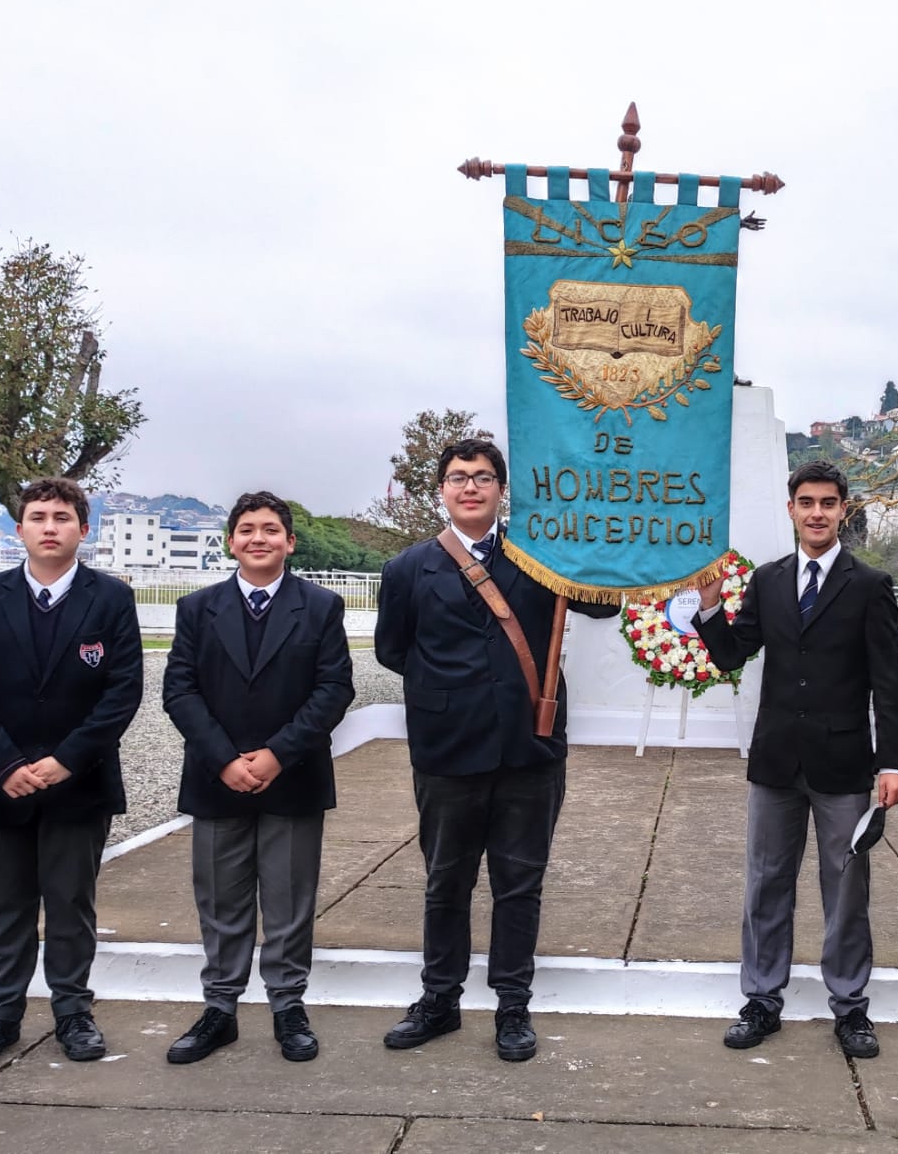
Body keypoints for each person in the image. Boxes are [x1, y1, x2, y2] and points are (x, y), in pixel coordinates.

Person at [374, 438, 616, 1062]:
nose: (471, 487)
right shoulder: (408, 569)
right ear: (442, 490)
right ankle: (439, 1000)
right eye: (458, 478)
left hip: (528, 750)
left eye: (483, 477)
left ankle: (513, 1005)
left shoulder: (540, 558)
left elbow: (602, 603)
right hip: (447, 752)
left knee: (518, 884)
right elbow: (392, 651)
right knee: (445, 883)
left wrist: (585, 542)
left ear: (501, 489)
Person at [692, 460, 898, 1059]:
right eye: (806, 502)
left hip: (843, 766)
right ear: (792, 510)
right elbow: (733, 655)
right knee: (765, 884)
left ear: (844, 510)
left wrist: (894, 762)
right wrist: (710, 606)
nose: (817, 512)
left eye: (828, 503)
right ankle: (761, 1001)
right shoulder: (768, 580)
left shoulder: (870, 585)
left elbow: (888, 686)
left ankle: (850, 1008)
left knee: (846, 890)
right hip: (776, 763)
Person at [0, 477, 143, 1067]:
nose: (50, 526)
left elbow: (121, 692)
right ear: (20, 530)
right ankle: (0, 1016)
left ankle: (73, 1013)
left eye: (62, 517)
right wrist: (5, 763)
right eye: (38, 517)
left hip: (77, 783)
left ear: (84, 529)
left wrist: (65, 761)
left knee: (70, 905)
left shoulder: (110, 598)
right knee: (3, 908)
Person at [162, 491, 355, 1064]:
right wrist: (224, 758)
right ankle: (219, 1008)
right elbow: (180, 689)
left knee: (289, 899)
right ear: (230, 541)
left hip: (291, 777)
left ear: (290, 542)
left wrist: (275, 754)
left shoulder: (320, 607)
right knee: (220, 900)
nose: (258, 538)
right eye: (246, 529)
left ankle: (288, 1006)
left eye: (271, 529)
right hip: (216, 777)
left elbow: (333, 690)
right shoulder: (198, 608)